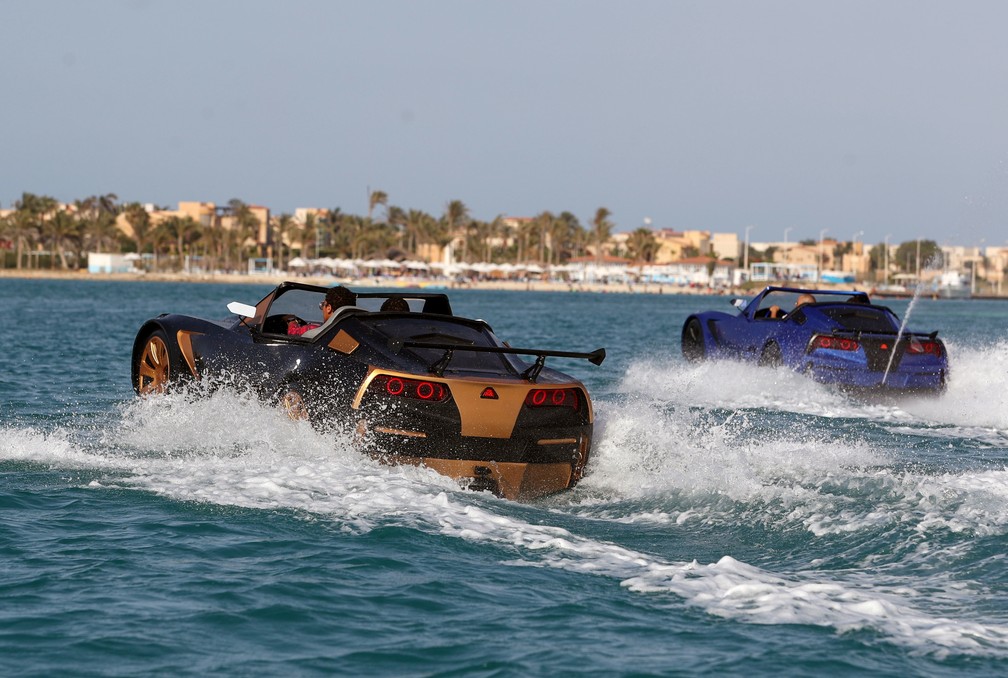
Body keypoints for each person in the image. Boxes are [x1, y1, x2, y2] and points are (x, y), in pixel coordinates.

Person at [288, 285, 356, 336]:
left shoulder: (312, 329)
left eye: (323, 304)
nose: (322, 308)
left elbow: (292, 332)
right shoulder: (355, 331)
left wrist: (291, 321)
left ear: (329, 308)